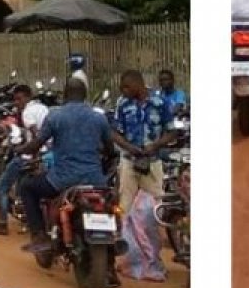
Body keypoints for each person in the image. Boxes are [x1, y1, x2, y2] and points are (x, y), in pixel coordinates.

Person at [18, 76, 140, 257]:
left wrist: (21, 148)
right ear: (85, 96)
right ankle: (112, 248)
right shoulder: (98, 118)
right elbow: (109, 149)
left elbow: (37, 143)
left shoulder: (55, 116)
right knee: (110, 204)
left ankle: (39, 235)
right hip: (95, 180)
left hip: (61, 180)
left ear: (65, 95)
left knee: (27, 187)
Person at [110, 69, 178, 241]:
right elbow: (114, 133)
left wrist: (155, 145)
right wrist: (129, 147)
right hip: (129, 161)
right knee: (124, 204)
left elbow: (172, 132)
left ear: (136, 84)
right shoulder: (123, 104)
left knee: (158, 205)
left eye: (125, 87)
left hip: (153, 161)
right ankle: (126, 245)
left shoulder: (160, 102)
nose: (123, 91)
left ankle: (156, 244)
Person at [0, 83, 50, 236]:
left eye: (19, 99)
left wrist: (31, 152)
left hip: (30, 156)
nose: (17, 103)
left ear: (27, 97)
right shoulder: (44, 108)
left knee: (2, 187)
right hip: (47, 155)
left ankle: (3, 224)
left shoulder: (27, 112)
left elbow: (36, 134)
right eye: (15, 100)